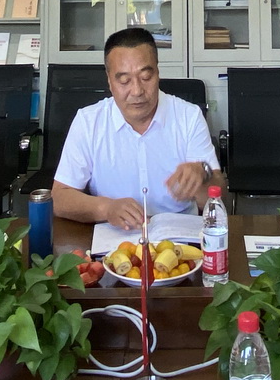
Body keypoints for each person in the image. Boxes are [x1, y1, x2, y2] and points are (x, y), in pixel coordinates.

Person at [52, 27, 223, 230]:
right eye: (124, 80)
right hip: (115, 239)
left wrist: (203, 175)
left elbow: (219, 196)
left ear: (158, 73)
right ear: (109, 80)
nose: (137, 91)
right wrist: (106, 208)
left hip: (179, 238)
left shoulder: (188, 116)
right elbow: (60, 197)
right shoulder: (88, 122)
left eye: (146, 77)